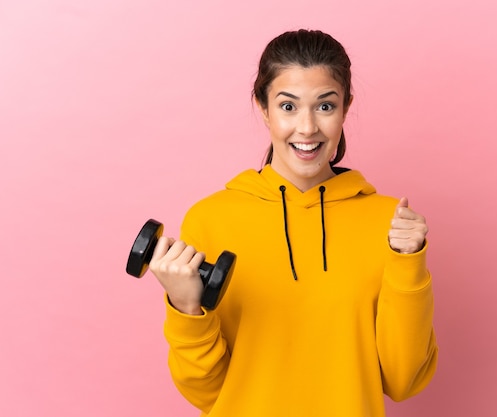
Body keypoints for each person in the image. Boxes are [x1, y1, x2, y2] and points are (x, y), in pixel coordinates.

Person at [149, 29, 438, 417]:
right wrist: (185, 307)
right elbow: (207, 393)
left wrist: (408, 265)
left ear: (345, 108)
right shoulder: (210, 219)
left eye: (324, 106)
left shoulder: (388, 224)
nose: (306, 128)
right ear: (263, 107)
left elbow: (403, 382)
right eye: (288, 107)